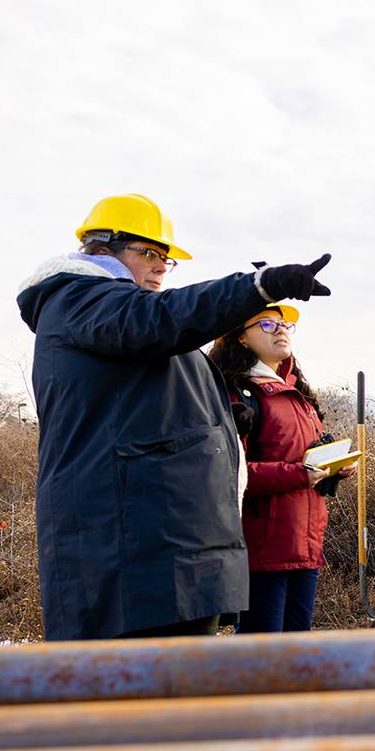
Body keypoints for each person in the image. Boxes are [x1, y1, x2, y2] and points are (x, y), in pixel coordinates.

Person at [18, 192, 332, 641]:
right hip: (132, 558)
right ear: (102, 247)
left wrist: (223, 419)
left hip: (167, 553)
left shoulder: (114, 314)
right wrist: (256, 288)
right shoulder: (81, 299)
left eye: (167, 258)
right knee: (141, 701)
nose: (161, 266)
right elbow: (158, 322)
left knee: (175, 700)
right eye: (149, 253)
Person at [208, 304, 355, 633]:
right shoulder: (238, 395)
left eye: (284, 323)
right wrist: (301, 474)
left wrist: (332, 468)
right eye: (267, 324)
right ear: (241, 339)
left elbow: (304, 459)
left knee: (296, 655)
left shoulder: (296, 392)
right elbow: (233, 473)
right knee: (263, 658)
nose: (281, 329)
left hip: (305, 541)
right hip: (263, 546)